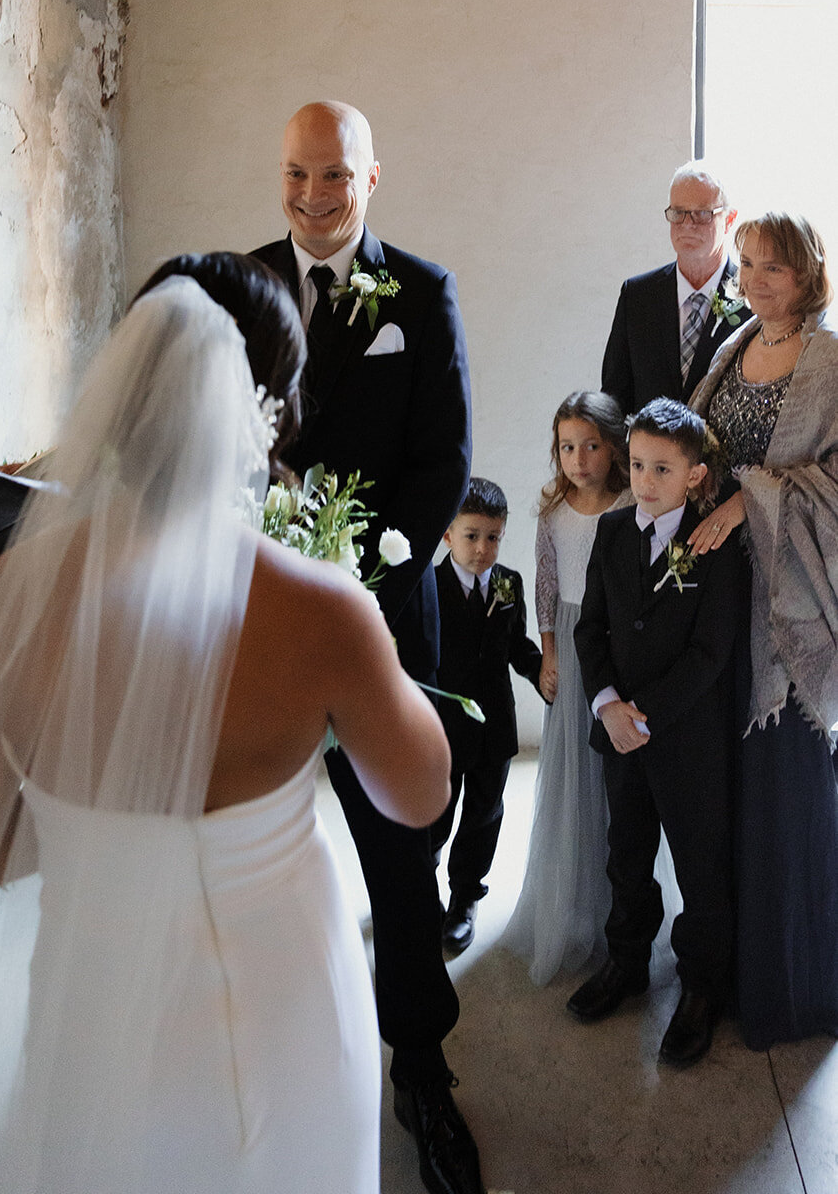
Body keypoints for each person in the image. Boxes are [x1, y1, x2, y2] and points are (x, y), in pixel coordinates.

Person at [0, 252, 452, 1194]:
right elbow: (417, 795)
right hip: (284, 1016)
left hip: (92, 1013)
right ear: (272, 409)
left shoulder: (5, 610)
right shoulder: (321, 610)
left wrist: (98, 819)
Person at [252, 102, 480, 1194]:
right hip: (251, 624)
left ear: (371, 177)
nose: (310, 197)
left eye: (333, 176)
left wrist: (353, 565)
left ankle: (421, 1067)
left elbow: (442, 460)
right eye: (296, 174)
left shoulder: (420, 294)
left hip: (385, 612)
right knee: (257, 833)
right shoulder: (232, 281)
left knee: (401, 852)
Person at [688, 213, 838, 1050]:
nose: (751, 279)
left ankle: (789, 985)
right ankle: (717, 970)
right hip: (716, 602)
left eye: (770, 268)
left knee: (784, 793)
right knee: (721, 797)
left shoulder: (829, 359)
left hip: (789, 614)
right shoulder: (729, 347)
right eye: (744, 264)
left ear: (807, 272)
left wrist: (755, 494)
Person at [569, 399, 744, 1068]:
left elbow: (710, 652)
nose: (644, 479)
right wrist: (608, 704)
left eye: (662, 468)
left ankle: (701, 987)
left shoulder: (712, 544)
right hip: (620, 735)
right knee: (626, 854)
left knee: (699, 864)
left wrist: (646, 714)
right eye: (636, 463)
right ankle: (626, 961)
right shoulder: (613, 534)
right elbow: (592, 629)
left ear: (695, 475)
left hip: (683, 737)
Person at [502, 391, 629, 986]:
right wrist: (548, 654)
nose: (578, 458)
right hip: (574, 648)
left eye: (591, 446)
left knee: (613, 780)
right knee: (571, 772)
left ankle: (618, 910)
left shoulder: (631, 502)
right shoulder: (553, 514)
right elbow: (546, 589)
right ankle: (569, 905)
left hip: (618, 646)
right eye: (567, 447)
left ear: (613, 447)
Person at [431, 478, 542, 957]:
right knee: (434, 813)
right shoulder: (427, 587)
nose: (482, 549)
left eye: (493, 537)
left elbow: (516, 646)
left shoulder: (508, 584)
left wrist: (542, 673)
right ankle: (421, 886)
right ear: (448, 535)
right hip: (441, 726)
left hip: (494, 724)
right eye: (472, 535)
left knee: (484, 814)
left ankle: (464, 897)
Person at [602, 161, 746, 415]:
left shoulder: (751, 298)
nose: (687, 225)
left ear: (729, 219)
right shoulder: (637, 296)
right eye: (678, 213)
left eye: (702, 213)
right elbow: (615, 398)